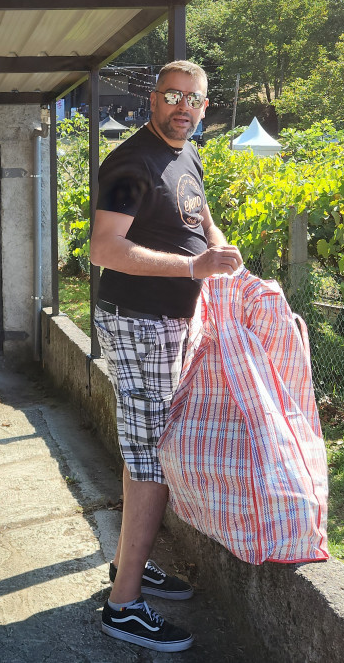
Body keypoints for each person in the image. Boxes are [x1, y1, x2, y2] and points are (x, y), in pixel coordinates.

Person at [89, 60, 243, 653]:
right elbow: (106, 249)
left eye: (194, 99)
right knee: (153, 455)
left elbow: (198, 218)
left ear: (205, 107)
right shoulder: (130, 164)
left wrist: (226, 260)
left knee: (149, 448)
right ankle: (124, 605)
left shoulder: (184, 155)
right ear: (152, 101)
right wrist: (192, 268)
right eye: (172, 96)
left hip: (173, 320)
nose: (183, 106)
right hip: (141, 322)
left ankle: (136, 558)